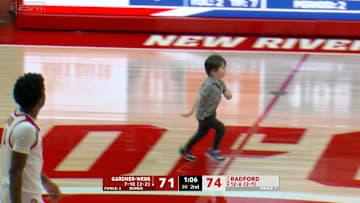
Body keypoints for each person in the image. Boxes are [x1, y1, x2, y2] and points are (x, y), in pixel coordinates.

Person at [1, 73, 61, 203]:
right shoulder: (26, 129)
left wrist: (45, 181)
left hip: (13, 194)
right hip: (25, 197)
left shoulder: (16, 117)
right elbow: (15, 172)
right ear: (41, 98)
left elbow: (24, 163)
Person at [180, 54, 232, 162]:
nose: (225, 70)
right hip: (204, 115)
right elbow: (199, 95)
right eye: (223, 68)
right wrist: (191, 111)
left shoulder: (220, 82)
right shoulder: (208, 84)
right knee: (221, 128)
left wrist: (228, 93)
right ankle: (214, 150)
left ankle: (186, 150)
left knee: (202, 133)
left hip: (210, 113)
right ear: (213, 71)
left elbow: (227, 94)